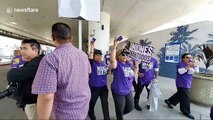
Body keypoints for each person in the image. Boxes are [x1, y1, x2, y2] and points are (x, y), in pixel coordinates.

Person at [32, 22, 91, 119]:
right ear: (71, 38)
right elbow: (87, 75)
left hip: (64, 113)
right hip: (83, 108)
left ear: (53, 37)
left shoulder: (51, 59)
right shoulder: (83, 55)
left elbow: (46, 96)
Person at [7, 39, 43, 119]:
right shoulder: (35, 62)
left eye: (25, 48)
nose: (22, 51)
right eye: (21, 48)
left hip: (34, 104)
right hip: (34, 102)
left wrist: (15, 66)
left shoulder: (37, 63)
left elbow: (12, 76)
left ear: (36, 50)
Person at [164, 53, 198, 119]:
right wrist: (189, 66)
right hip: (181, 83)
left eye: (190, 58)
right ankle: (186, 111)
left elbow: (195, 71)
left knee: (180, 94)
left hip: (188, 82)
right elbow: (180, 72)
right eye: (187, 57)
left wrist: (196, 66)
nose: (189, 59)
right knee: (186, 97)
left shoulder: (191, 64)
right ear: (183, 58)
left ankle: (169, 101)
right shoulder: (180, 64)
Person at [110, 37, 134, 120]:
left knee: (130, 107)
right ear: (119, 56)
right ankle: (119, 116)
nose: (125, 56)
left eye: (126, 55)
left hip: (128, 90)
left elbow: (134, 75)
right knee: (120, 111)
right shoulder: (117, 65)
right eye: (123, 55)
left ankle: (119, 114)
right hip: (119, 91)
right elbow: (112, 60)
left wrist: (137, 65)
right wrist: (115, 47)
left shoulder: (129, 64)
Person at [88, 43, 110, 120]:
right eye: (97, 55)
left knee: (105, 103)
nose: (99, 57)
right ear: (94, 56)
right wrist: (92, 48)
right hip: (94, 88)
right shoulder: (92, 64)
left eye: (100, 55)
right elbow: (90, 59)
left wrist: (109, 69)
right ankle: (90, 113)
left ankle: (107, 118)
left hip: (103, 87)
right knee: (92, 102)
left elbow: (106, 73)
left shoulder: (103, 64)